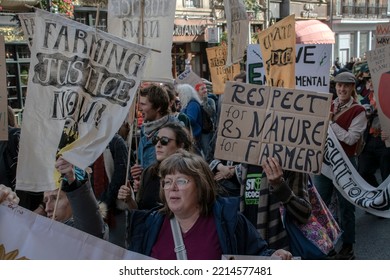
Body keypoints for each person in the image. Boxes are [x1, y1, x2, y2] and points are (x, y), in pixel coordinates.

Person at [125, 149, 292, 260]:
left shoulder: (228, 220)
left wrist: (273, 257)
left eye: (181, 181)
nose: (172, 188)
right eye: (168, 182)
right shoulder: (148, 225)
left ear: (200, 186)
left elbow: (258, 255)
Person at [313, 71, 367, 260]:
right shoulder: (329, 104)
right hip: (324, 162)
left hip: (345, 163)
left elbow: (352, 139)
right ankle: (324, 244)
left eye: (346, 86)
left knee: (346, 207)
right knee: (320, 204)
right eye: (339, 85)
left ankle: (348, 247)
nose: (342, 89)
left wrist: (332, 123)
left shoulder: (359, 110)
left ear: (352, 88)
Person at [1, 157, 107, 240]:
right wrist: (6, 207)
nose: (47, 208)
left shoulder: (92, 229)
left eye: (56, 198)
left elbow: (92, 232)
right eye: (45, 201)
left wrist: (72, 183)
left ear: (73, 200)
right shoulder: (42, 229)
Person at [118, 122, 193, 210]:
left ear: (180, 145)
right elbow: (140, 211)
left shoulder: (190, 175)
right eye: (155, 140)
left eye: (164, 140)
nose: (158, 145)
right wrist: (129, 199)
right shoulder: (149, 172)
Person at [131, 84, 180, 196]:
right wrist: (139, 174)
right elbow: (142, 164)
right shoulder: (145, 131)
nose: (139, 108)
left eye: (143, 104)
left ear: (158, 107)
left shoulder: (176, 130)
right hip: (148, 193)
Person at [90, 133, 131, 247]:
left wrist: (105, 204)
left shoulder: (116, 142)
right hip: (95, 207)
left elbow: (120, 175)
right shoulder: (90, 142)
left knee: (116, 248)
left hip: (115, 208)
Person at [176, 84, 203, 154]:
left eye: (180, 94)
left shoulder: (192, 104)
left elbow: (191, 119)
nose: (179, 96)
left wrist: (180, 117)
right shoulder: (188, 104)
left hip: (194, 134)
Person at [194, 82, 216, 162]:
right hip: (197, 131)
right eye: (202, 89)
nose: (205, 90)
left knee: (207, 151)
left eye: (205, 88)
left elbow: (212, 113)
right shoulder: (194, 102)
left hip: (206, 131)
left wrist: (204, 103)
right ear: (197, 91)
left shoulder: (210, 101)